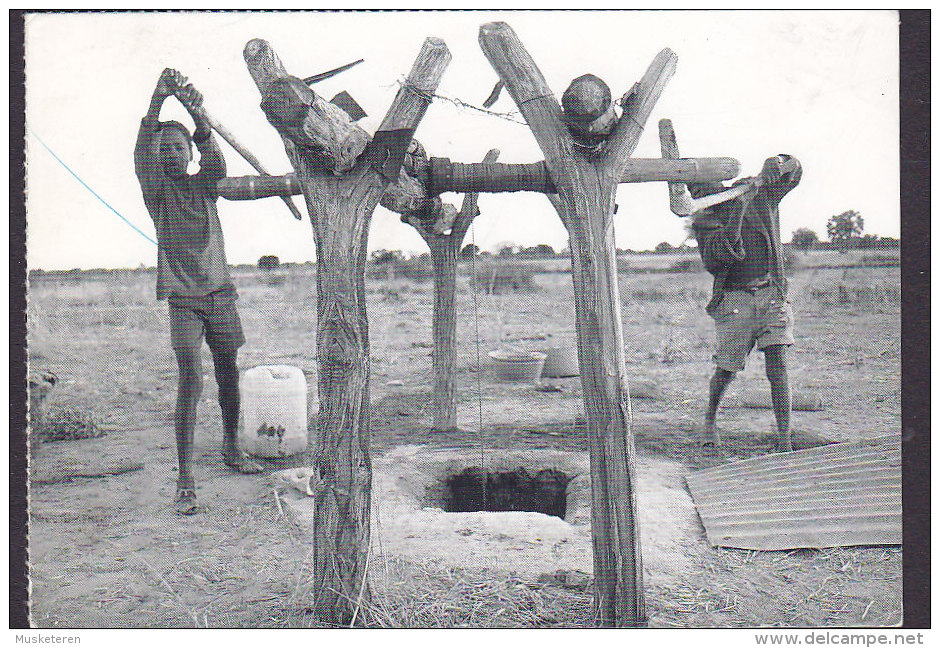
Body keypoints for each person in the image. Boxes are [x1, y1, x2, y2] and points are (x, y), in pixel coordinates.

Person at [135, 68, 263, 515]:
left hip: (221, 296)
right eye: (163, 148)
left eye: (177, 146)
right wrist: (157, 99)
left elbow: (219, 165)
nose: (170, 153)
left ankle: (231, 447)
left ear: (189, 153)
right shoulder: (157, 192)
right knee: (191, 381)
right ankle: (185, 480)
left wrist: (198, 117)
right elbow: (139, 151)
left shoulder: (205, 185)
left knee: (228, 373)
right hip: (184, 301)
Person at [690, 154, 803, 453]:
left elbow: (795, 172)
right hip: (734, 301)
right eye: (699, 190)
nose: (705, 191)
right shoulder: (704, 221)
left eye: (708, 184)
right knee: (726, 369)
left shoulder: (756, 193)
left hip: (771, 293)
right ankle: (710, 421)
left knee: (777, 362)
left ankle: (785, 439)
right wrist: (738, 210)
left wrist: (777, 162)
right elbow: (725, 255)